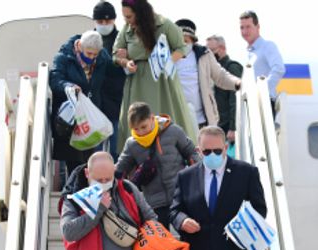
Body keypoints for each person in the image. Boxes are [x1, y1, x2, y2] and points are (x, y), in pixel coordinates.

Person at [112, 0, 197, 151]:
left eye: (129, 16)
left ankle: (174, 150)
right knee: (136, 121)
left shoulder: (165, 25)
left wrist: (168, 61)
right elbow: (115, 54)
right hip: (137, 82)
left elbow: (181, 48)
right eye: (124, 17)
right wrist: (125, 62)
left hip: (163, 82)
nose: (126, 21)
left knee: (167, 118)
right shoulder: (126, 30)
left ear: (141, 13)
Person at [115, 101, 199, 228]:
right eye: (136, 129)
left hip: (180, 196)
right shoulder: (131, 144)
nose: (141, 132)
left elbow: (191, 152)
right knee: (162, 243)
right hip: (154, 203)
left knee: (187, 237)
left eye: (143, 127)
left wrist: (196, 180)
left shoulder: (174, 131)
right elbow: (119, 170)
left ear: (152, 118)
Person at [50, 30, 114, 174]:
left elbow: (112, 75)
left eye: (95, 54)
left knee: (91, 163)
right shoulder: (63, 58)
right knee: (74, 165)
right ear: (79, 46)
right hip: (70, 120)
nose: (91, 57)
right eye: (89, 53)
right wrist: (68, 86)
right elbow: (55, 80)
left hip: (91, 118)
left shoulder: (102, 57)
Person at [173, 19, 241, 131]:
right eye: (179, 40)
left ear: (192, 40)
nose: (183, 43)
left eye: (186, 40)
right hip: (176, 119)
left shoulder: (203, 54)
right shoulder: (165, 56)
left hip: (202, 120)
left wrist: (237, 83)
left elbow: (220, 76)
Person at [93, 1, 127, 152]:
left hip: (117, 102)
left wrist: (123, 60)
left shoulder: (123, 41)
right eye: (100, 21)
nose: (104, 24)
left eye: (108, 21)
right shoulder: (88, 41)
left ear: (114, 20)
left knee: (116, 149)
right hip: (95, 103)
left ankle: (117, 176)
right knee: (96, 151)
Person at [239, 10, 285, 110]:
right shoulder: (247, 53)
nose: (244, 31)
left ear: (258, 27)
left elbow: (279, 69)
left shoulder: (267, 46)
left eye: (248, 27)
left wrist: (262, 92)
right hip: (251, 104)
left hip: (264, 103)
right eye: (242, 27)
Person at [205, 35, 245, 145]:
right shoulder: (211, 69)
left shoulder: (232, 67)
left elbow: (234, 99)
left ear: (222, 48)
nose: (209, 55)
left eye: (211, 51)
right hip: (217, 124)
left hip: (228, 127)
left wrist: (233, 127)